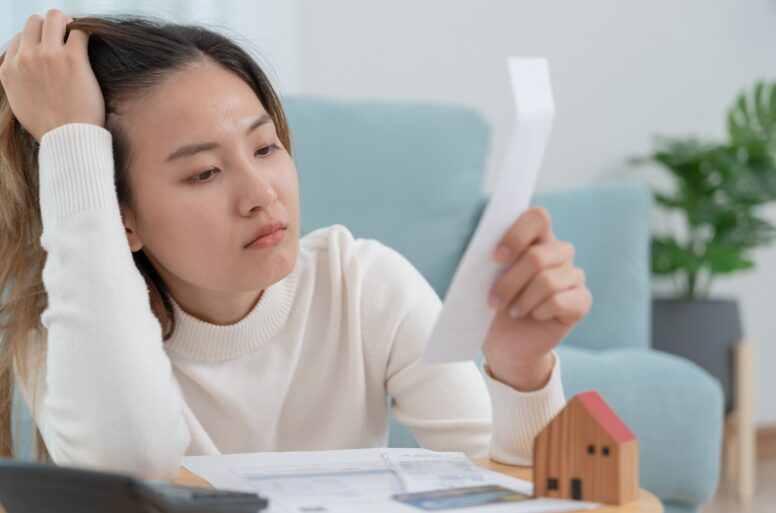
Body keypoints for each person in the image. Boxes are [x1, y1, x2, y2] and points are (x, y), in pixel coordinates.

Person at [0, 10, 592, 480]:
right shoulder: (74, 338)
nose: (261, 194)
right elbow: (127, 468)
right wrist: (70, 140)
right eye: (204, 173)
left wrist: (521, 372)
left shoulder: (363, 286)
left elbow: (508, 494)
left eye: (264, 148)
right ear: (118, 215)